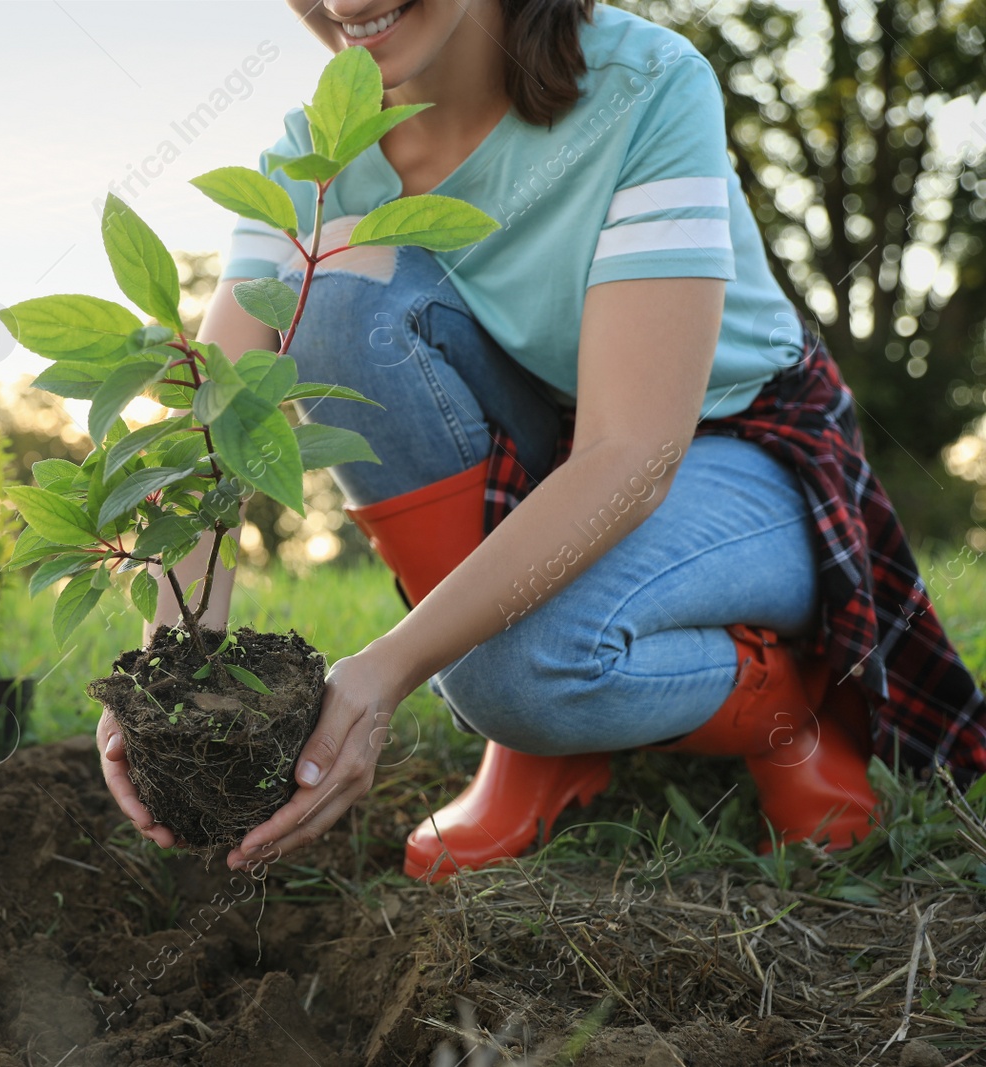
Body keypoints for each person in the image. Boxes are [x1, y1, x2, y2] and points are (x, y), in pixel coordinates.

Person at [96, 0, 986, 881]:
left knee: (509, 675)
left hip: (739, 456)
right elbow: (213, 422)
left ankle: (783, 704)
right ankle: (534, 744)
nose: (345, 3)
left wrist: (386, 671)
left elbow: (632, 451)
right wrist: (168, 673)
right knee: (326, 292)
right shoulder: (315, 157)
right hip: (548, 453)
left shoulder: (646, 87)